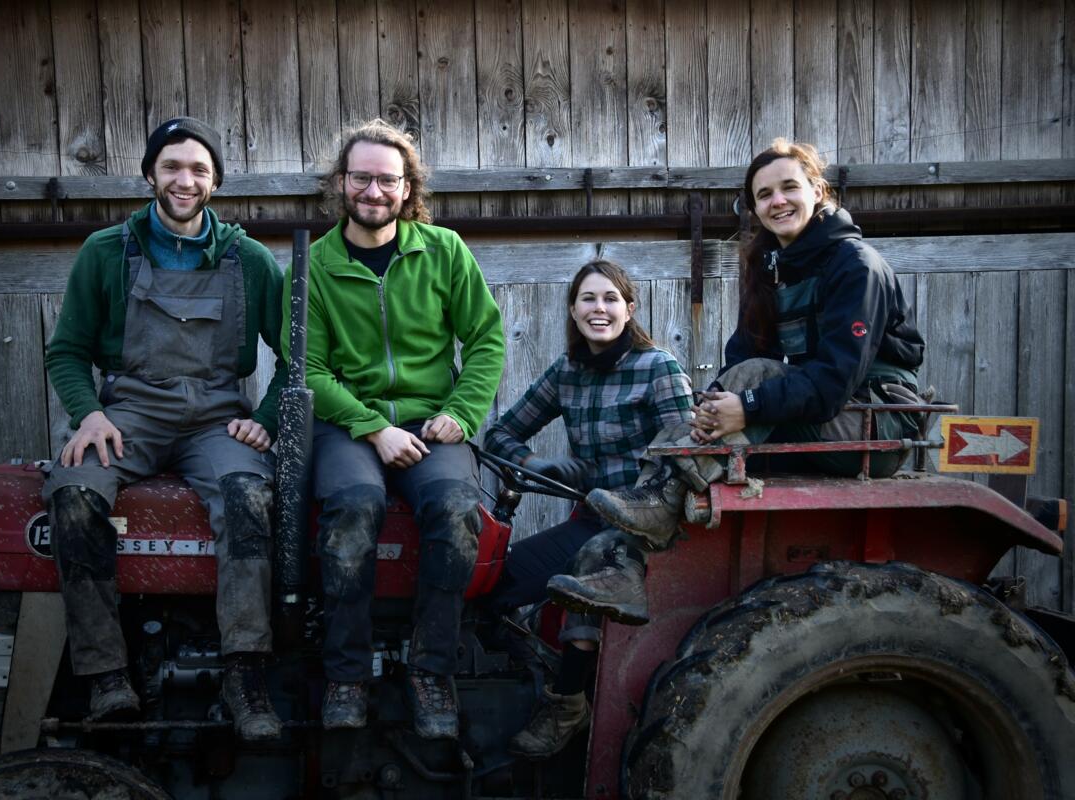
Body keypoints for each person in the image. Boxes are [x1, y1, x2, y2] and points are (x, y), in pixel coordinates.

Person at [43, 117, 286, 741]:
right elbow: (66, 351)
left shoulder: (249, 260)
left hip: (216, 417)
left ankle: (245, 673)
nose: (185, 180)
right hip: (130, 415)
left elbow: (299, 359)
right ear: (150, 174)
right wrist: (88, 413)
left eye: (199, 169)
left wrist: (263, 420)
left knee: (249, 496)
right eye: (172, 166)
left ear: (216, 182)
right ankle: (106, 675)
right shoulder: (107, 251)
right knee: (73, 493)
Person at [583, 137, 926, 544]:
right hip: (820, 418)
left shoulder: (856, 266)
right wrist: (713, 410)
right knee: (703, 410)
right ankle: (629, 545)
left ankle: (660, 498)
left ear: (817, 190)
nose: (777, 201)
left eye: (789, 187)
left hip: (875, 425)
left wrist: (746, 407)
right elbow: (742, 356)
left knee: (757, 377)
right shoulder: (768, 269)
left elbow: (832, 384)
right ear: (756, 209)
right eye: (764, 195)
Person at [286, 119, 505, 740]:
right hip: (347, 425)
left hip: (430, 421)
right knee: (353, 505)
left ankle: (431, 672)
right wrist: (371, 427)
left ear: (408, 187)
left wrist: (461, 413)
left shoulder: (444, 250)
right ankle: (346, 677)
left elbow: (486, 340)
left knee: (458, 510)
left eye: (388, 179)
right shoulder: (314, 266)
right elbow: (308, 368)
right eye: (362, 178)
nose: (374, 191)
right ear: (341, 183)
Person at [483, 259, 693, 758]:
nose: (600, 309)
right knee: (494, 587)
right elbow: (500, 433)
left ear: (629, 309)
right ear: (574, 310)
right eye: (588, 299)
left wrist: (645, 495)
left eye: (610, 299)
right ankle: (539, 672)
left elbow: (689, 452)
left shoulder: (657, 367)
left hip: (648, 525)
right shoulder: (567, 372)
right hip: (591, 518)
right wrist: (540, 463)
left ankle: (567, 705)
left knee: (592, 565)